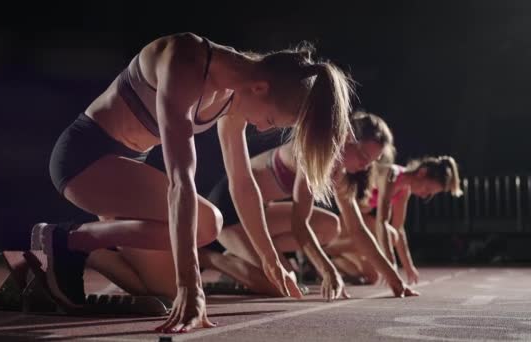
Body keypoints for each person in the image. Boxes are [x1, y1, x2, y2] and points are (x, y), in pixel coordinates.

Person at [35, 32, 354, 333]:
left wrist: (271, 261)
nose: (260, 127)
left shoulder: (237, 93)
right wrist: (192, 285)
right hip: (85, 160)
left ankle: (53, 258)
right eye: (269, 120)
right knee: (207, 223)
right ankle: (66, 239)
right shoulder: (186, 60)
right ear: (260, 88)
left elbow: (242, 183)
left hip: (126, 175)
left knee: (164, 291)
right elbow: (180, 180)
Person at [202, 111, 418, 299]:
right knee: (282, 286)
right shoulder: (312, 154)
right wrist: (327, 269)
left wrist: (395, 281)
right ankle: (210, 257)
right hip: (228, 216)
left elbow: (357, 229)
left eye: (371, 161)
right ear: (346, 138)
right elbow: (300, 225)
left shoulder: (341, 173)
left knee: (330, 226)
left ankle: (244, 256)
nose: (364, 166)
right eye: (362, 155)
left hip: (257, 216)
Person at [339, 155, 463, 284]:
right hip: (347, 221)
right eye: (427, 189)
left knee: (373, 276)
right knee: (390, 236)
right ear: (422, 172)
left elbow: (399, 228)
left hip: (359, 225)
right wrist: (390, 263)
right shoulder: (391, 175)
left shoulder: (404, 190)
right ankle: (327, 251)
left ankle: (331, 258)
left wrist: (409, 267)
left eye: (430, 194)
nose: (425, 195)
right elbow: (382, 222)